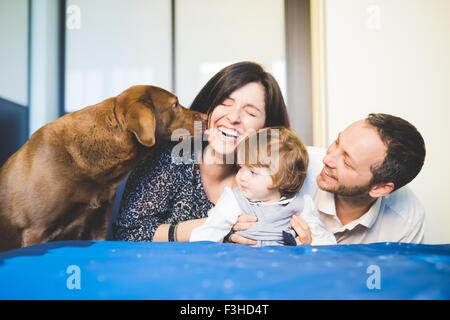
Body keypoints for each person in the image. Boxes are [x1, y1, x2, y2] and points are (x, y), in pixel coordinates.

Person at [114, 61, 300, 244]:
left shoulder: (273, 176)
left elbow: (285, 231)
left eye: (250, 113)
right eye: (226, 103)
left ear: (266, 129)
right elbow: (128, 232)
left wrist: (301, 241)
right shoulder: (174, 156)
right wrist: (216, 226)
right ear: (209, 108)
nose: (233, 117)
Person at [267, 113, 426, 245]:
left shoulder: (406, 222)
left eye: (347, 162)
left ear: (379, 188)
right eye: (337, 142)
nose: (328, 159)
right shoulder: (292, 164)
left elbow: (387, 281)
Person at [189, 127, 336, 246]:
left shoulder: (301, 205)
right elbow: (210, 231)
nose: (241, 176)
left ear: (285, 178)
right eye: (241, 167)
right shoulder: (234, 199)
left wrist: (307, 244)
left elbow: (325, 240)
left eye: (252, 172)